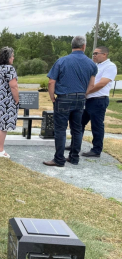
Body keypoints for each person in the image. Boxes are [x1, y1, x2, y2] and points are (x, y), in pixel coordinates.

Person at [43, 35, 97, 167]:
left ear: (71, 46)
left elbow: (51, 81)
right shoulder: (91, 64)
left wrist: (52, 97)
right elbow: (92, 84)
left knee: (61, 129)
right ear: (84, 46)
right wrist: (84, 94)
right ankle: (74, 157)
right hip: (80, 99)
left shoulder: (62, 61)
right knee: (77, 129)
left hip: (64, 98)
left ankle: (59, 159)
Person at [65, 46, 117, 157]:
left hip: (98, 100)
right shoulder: (95, 66)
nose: (94, 55)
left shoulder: (110, 66)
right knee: (78, 124)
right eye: (93, 53)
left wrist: (86, 92)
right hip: (87, 100)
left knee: (96, 126)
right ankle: (75, 145)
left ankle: (96, 150)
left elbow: (102, 83)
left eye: (96, 53)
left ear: (104, 54)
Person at [0, 47, 19, 158]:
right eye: (12, 56)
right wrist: (16, 99)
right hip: (5, 101)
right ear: (8, 58)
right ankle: (0, 150)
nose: (13, 58)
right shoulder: (10, 69)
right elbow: (13, 86)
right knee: (3, 125)